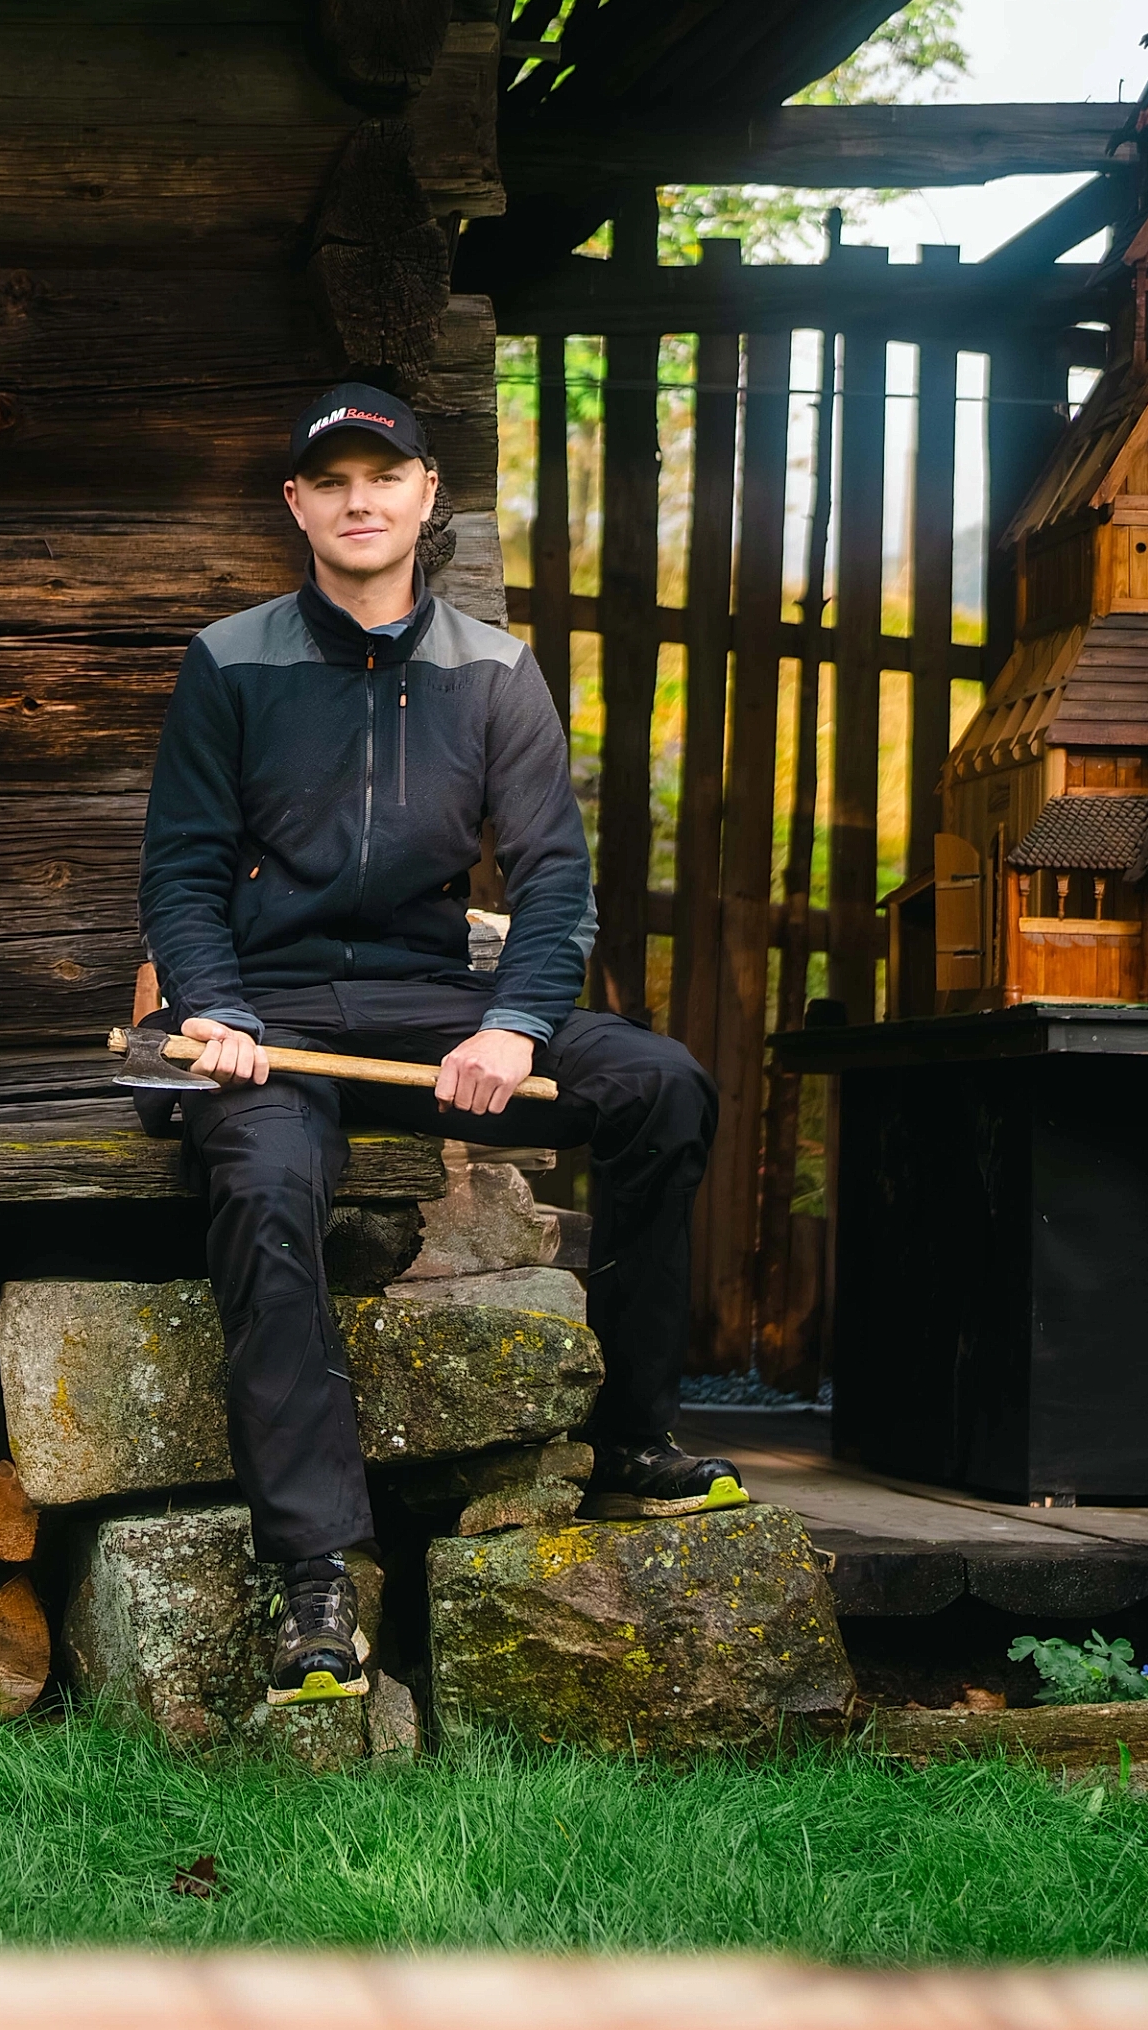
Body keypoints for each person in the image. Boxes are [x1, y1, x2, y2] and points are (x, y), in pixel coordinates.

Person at [137, 381, 747, 1708]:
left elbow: (555, 883)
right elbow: (181, 874)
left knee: (661, 1085)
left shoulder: (494, 673)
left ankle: (636, 1438)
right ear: (297, 505)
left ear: (427, 501)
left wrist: (516, 1024)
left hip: (430, 998)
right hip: (273, 1014)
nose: (361, 500)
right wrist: (220, 1013)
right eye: (333, 480)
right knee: (262, 1185)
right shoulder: (227, 661)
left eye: (385, 477)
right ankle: (315, 1580)